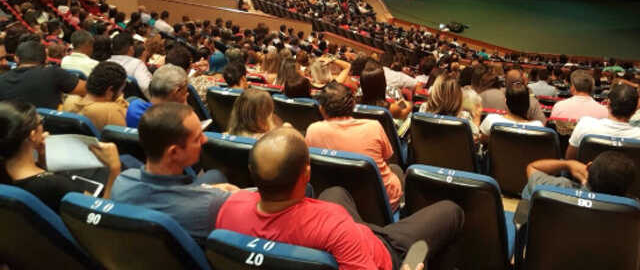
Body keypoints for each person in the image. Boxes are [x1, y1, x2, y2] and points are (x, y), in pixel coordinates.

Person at [216, 128, 464, 270]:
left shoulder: (229, 206)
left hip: (355, 237)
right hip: (391, 256)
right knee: (451, 211)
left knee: (334, 191)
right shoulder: (333, 224)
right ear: (306, 174)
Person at [111, 103, 238, 241]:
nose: (205, 139)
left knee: (214, 175)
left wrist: (205, 189)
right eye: (197, 138)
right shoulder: (214, 204)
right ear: (174, 152)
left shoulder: (121, 181)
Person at [517, 152, 640, 258]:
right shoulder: (635, 209)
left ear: (588, 167)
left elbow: (532, 167)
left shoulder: (555, 189)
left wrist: (567, 164)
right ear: (629, 186)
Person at [0, 100, 121, 211]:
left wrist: (42, 159)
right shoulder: (56, 185)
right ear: (32, 135)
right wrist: (114, 168)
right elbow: (101, 213)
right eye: (40, 121)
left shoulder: (6, 175)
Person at [306, 82, 403, 211]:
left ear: (321, 109)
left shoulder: (312, 130)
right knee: (396, 169)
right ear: (353, 105)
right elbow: (387, 158)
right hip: (380, 206)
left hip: (335, 205)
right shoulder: (373, 126)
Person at [566, 84, 640, 161]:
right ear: (636, 109)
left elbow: (569, 158)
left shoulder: (585, 124)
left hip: (587, 183)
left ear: (608, 103)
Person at [0, 40, 86, 109]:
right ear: (46, 60)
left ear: (16, 59)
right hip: (54, 129)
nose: (5, 62)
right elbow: (89, 89)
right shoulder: (54, 73)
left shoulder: (1, 80)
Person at [62, 61, 129, 130]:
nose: (121, 94)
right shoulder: (111, 111)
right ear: (110, 90)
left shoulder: (70, 101)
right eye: (121, 90)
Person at [125, 64, 189, 129]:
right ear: (176, 92)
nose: (187, 94)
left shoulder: (134, 106)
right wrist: (185, 108)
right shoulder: (172, 123)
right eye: (185, 91)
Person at [479, 83, 543, 139]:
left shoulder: (491, 120)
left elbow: (483, 141)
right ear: (528, 104)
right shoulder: (537, 127)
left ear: (506, 102)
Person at [110, 32, 153, 98]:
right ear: (131, 48)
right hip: (131, 103)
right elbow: (145, 86)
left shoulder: (104, 63)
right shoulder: (136, 64)